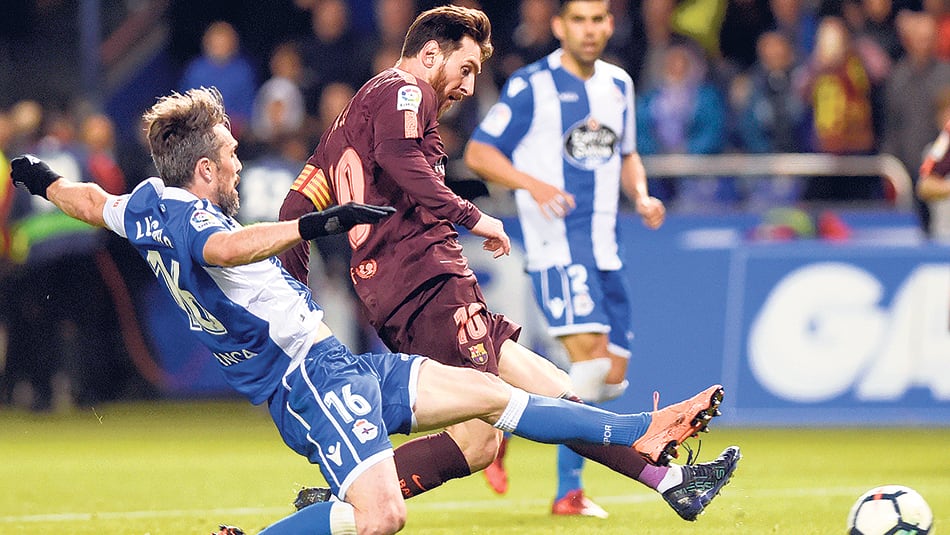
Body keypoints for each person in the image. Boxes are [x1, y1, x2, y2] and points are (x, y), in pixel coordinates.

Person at [10, 86, 734, 535]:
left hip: (338, 365)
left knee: (492, 400)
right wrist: (311, 226)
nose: (237, 163)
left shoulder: (141, 206)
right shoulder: (194, 219)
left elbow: (88, 200)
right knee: (382, 516)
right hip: (307, 384)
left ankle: (641, 438)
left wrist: (39, 179)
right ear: (204, 171)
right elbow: (225, 248)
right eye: (229, 155)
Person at [278, 4, 739, 522]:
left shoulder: (350, 120)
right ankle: (340, 502)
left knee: (551, 390)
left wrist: (295, 304)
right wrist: (472, 216)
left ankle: (673, 481)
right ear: (429, 54)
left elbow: (295, 211)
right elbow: (400, 160)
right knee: (483, 437)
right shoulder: (405, 90)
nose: (468, 86)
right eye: (465, 68)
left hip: (417, 287)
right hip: (425, 284)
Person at [464, 0, 666, 517]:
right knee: (590, 362)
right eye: (579, 19)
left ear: (610, 25)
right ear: (559, 26)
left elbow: (627, 154)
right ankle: (567, 492)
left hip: (606, 249)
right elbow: (479, 153)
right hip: (556, 246)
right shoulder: (532, 85)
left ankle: (505, 417)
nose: (589, 29)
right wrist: (532, 183)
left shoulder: (618, 84)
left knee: (609, 378)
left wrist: (642, 195)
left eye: (598, 19)